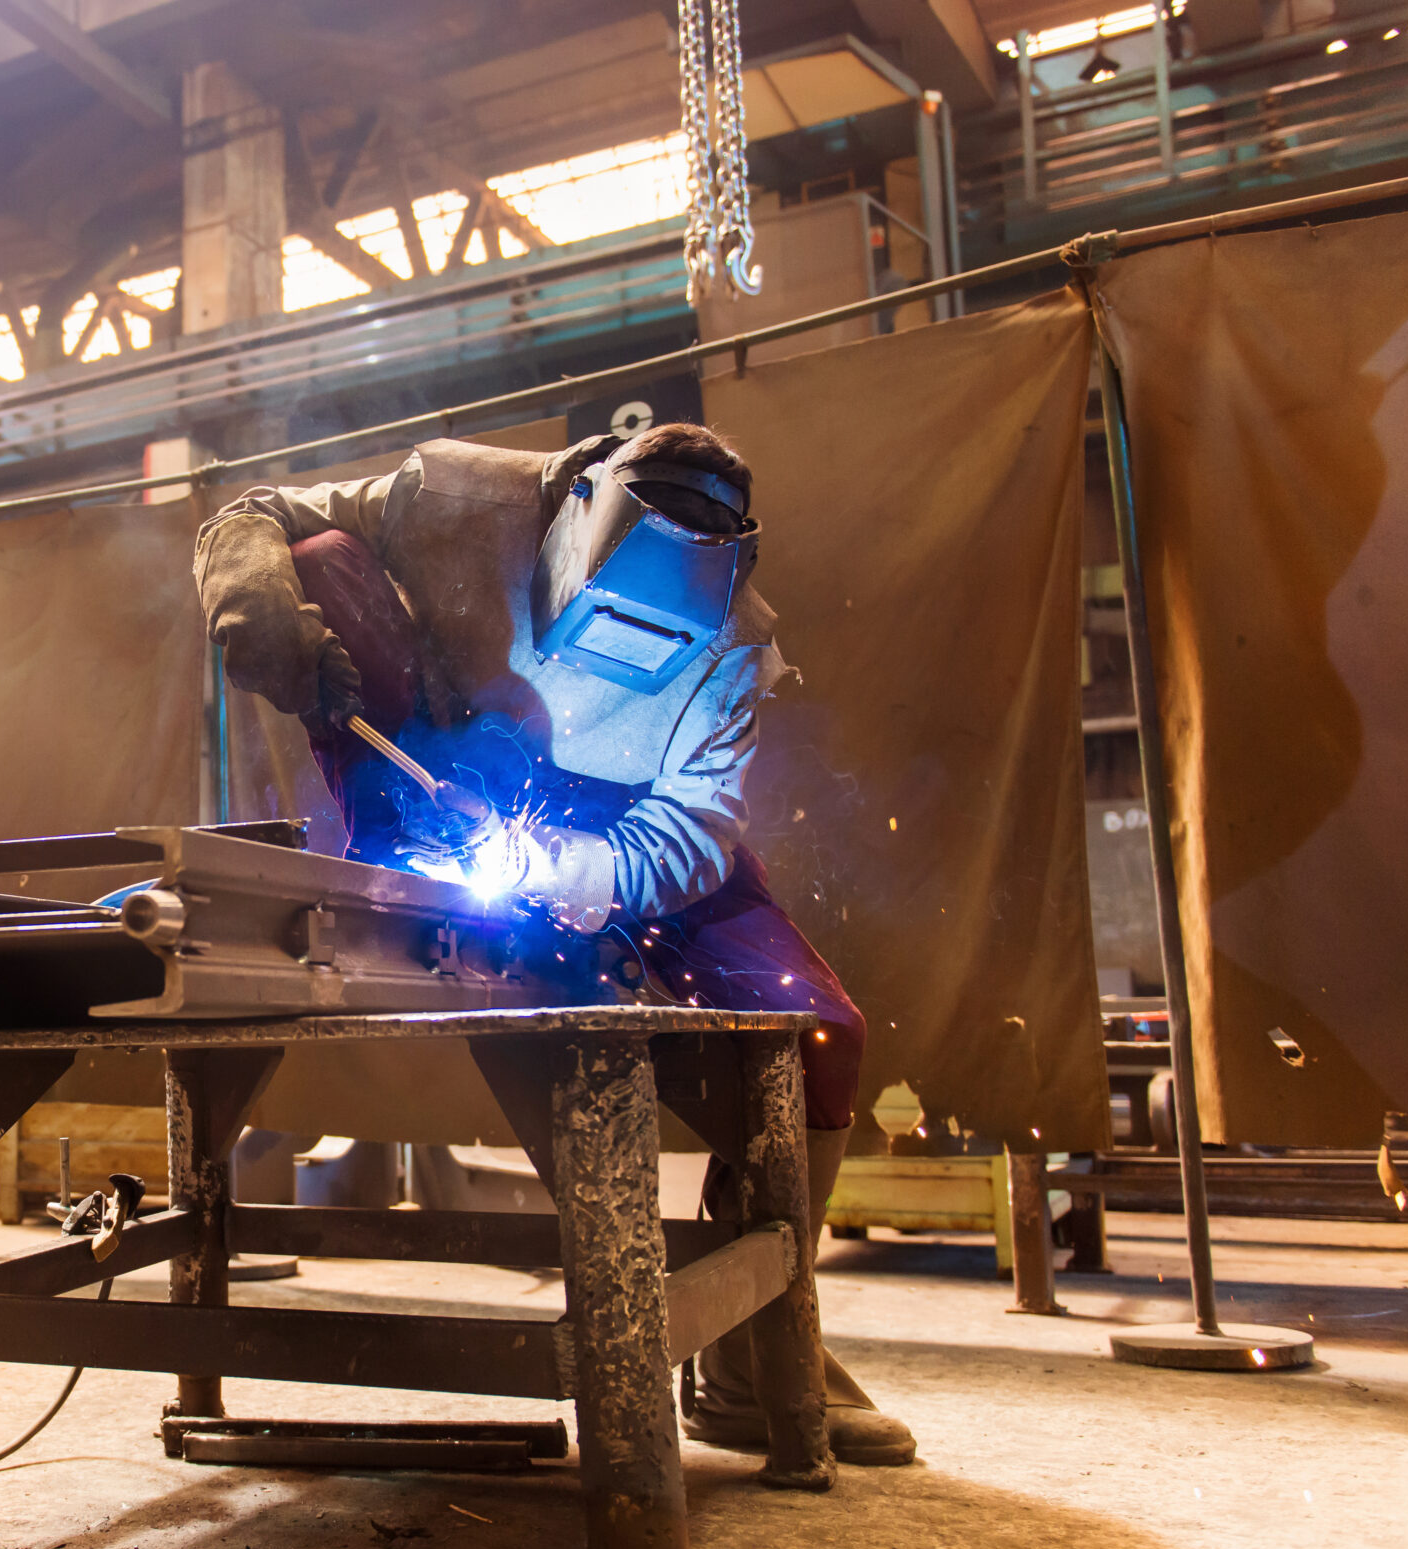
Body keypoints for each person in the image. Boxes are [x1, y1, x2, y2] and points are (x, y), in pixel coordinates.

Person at [192, 422, 915, 1467]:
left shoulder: (736, 649)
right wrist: (252, 598)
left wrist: (581, 872)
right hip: (444, 765)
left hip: (622, 835)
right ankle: (627, 1282)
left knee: (820, 1032)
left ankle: (759, 1342)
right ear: (572, 532)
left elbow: (694, 830)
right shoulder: (455, 499)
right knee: (319, 566)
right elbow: (255, 514)